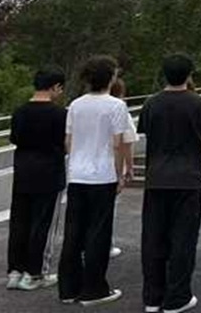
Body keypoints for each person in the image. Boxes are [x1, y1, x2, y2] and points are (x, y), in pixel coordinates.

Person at [138, 54, 201, 313]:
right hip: (188, 178)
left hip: (156, 177)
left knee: (153, 238)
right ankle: (177, 297)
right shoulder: (200, 104)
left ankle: (152, 297)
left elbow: (147, 134)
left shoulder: (151, 104)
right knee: (183, 239)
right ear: (189, 74)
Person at [58, 55, 135, 306]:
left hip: (77, 174)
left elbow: (68, 142)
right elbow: (117, 143)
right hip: (102, 175)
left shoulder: (75, 105)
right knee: (98, 233)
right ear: (110, 77)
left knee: (74, 232)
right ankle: (94, 289)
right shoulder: (116, 106)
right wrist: (120, 173)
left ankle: (68, 288)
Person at [6, 66, 68, 291]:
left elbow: (14, 139)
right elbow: (66, 144)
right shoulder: (60, 114)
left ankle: (14, 270)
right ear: (55, 87)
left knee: (19, 222)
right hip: (49, 173)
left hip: (22, 171)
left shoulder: (20, 111)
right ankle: (34, 273)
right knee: (42, 223)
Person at [109, 77, 138, 259]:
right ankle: (106, 245)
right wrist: (129, 167)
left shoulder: (79, 106)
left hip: (82, 169)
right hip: (111, 166)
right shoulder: (120, 111)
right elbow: (126, 143)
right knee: (108, 210)